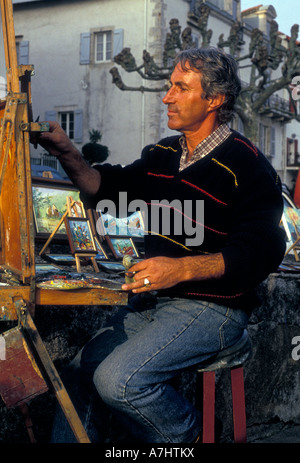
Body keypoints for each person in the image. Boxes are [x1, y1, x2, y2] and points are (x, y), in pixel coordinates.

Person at [35, 47, 286, 443]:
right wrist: (67, 152)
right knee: (77, 376)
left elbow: (266, 248)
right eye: (169, 86)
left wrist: (182, 268)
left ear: (215, 100)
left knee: (119, 381)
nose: (167, 96)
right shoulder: (163, 154)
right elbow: (108, 189)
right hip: (154, 303)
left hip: (213, 307)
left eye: (180, 88)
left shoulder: (248, 165)